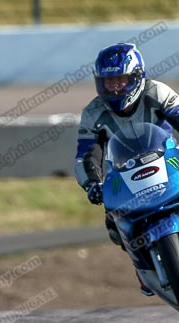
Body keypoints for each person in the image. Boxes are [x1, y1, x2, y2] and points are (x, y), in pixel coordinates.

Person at [75, 43, 179, 295]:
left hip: (166, 159)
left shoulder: (158, 92)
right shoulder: (93, 113)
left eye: (120, 80)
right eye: (108, 81)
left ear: (136, 76)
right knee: (113, 220)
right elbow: (86, 155)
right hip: (125, 170)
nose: (114, 87)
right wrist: (92, 184)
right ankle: (143, 267)